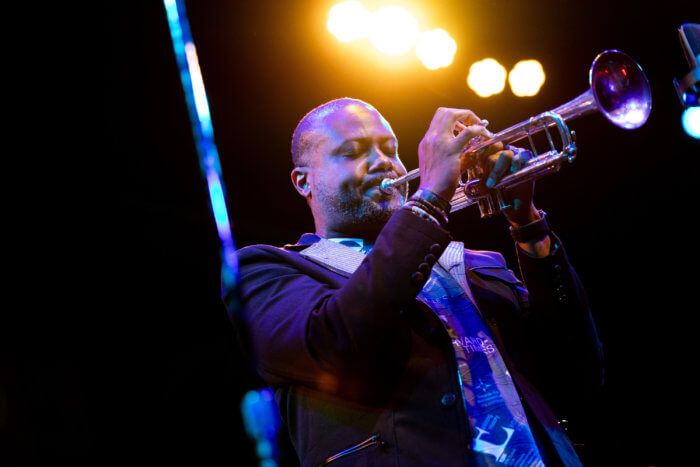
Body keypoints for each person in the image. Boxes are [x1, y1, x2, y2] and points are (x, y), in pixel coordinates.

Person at [223, 98, 603, 466]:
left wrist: (529, 226)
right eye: (352, 152)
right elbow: (333, 343)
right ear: (304, 181)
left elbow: (577, 373)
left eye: (391, 148)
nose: (383, 164)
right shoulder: (266, 269)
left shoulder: (474, 262)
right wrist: (428, 201)